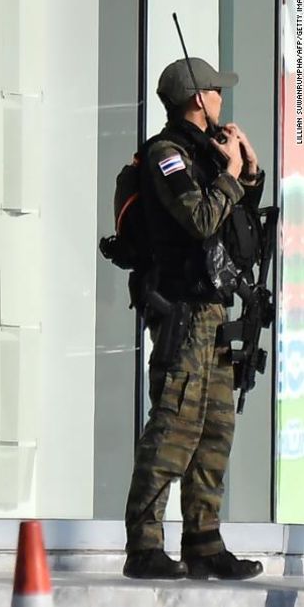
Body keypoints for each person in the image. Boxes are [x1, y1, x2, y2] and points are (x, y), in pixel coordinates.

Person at [122, 57, 265, 581]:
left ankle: (204, 542)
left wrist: (246, 170)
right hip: (182, 310)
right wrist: (228, 174)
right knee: (174, 425)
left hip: (214, 311)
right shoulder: (167, 156)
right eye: (215, 91)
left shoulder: (204, 154)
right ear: (197, 99)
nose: (221, 99)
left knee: (214, 430)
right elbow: (201, 217)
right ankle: (144, 547)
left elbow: (232, 225)